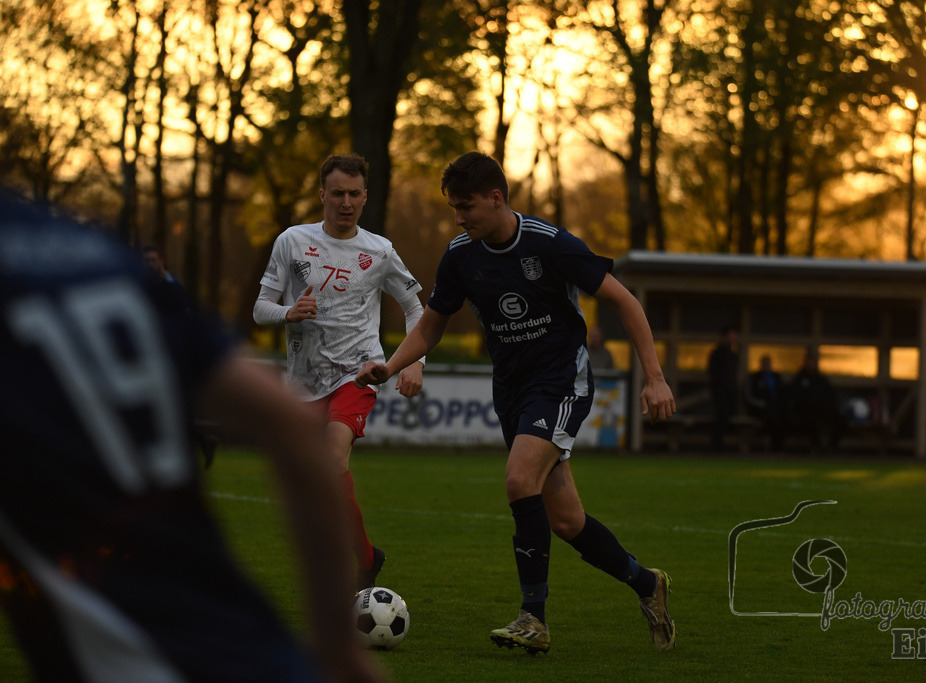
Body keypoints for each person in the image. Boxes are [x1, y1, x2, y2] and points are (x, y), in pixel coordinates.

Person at [0, 191, 379, 683]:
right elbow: (285, 422)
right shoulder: (93, 248)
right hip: (255, 643)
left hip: (135, 653)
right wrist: (339, 650)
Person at [355, 151, 677, 655]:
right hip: (511, 391)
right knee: (567, 521)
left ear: (496, 197)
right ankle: (646, 584)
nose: (459, 218)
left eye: (467, 207)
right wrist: (390, 367)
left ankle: (534, 618)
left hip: (561, 383)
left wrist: (654, 378)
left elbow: (626, 301)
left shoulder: (552, 245)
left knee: (517, 479)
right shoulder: (461, 254)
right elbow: (432, 325)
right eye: (454, 209)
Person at [253, 153, 425, 590]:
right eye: (337, 194)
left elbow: (415, 308)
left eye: (354, 194)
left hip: (359, 372)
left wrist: (414, 363)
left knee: (332, 459)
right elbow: (260, 309)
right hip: (304, 381)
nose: (345, 202)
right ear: (322, 195)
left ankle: (340, 570)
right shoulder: (292, 241)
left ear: (365, 197)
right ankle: (366, 559)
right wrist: (289, 313)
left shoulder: (380, 251)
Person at [786, 349, 845, 452]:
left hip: (823, 410)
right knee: (810, 422)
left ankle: (832, 447)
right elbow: (793, 396)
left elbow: (831, 395)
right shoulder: (799, 379)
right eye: (809, 361)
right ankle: (817, 448)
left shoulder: (821, 379)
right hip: (805, 411)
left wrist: (830, 405)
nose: (810, 364)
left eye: (812, 361)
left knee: (840, 420)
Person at [744, 354, 786, 451]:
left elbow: (782, 394)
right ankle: (770, 448)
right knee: (771, 419)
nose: (767, 366)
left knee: (782, 419)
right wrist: (763, 404)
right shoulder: (754, 378)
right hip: (760, 410)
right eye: (764, 364)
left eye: (768, 364)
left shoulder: (776, 377)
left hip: (776, 410)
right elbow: (749, 397)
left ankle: (777, 447)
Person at [707, 325, 739, 452]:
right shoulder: (717, 353)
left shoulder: (733, 355)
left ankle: (723, 443)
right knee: (720, 416)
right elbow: (713, 373)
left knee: (727, 417)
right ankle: (716, 444)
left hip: (730, 391)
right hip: (720, 391)